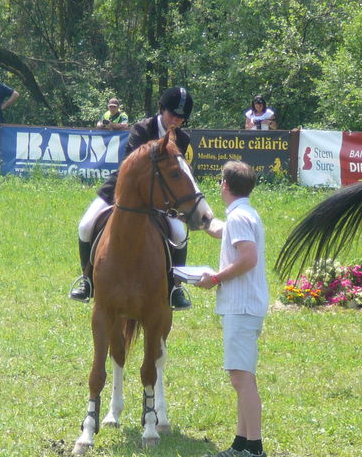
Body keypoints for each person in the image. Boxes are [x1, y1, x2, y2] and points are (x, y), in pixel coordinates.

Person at [69, 87, 196, 310]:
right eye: (172, 115)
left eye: (181, 118)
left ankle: (175, 287)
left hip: (163, 200)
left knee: (178, 233)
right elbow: (131, 167)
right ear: (161, 109)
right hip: (123, 191)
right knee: (85, 225)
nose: (176, 120)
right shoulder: (142, 129)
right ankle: (87, 280)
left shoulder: (182, 138)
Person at [194, 160, 268, 457]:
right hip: (246, 306)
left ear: (224, 185)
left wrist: (215, 278)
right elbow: (221, 230)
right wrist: (203, 220)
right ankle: (241, 442)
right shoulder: (244, 213)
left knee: (240, 377)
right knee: (243, 375)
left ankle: (254, 448)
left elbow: (247, 258)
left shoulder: (239, 218)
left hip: (241, 307)